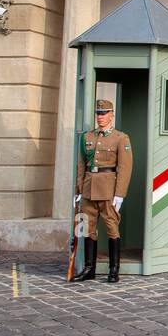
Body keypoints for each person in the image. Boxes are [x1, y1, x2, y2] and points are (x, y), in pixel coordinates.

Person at [73, 99, 132, 283]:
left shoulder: (120, 138)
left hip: (108, 190)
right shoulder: (87, 137)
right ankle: (89, 268)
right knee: (89, 229)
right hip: (90, 189)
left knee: (112, 228)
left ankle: (114, 269)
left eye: (104, 113)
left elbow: (125, 167)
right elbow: (82, 165)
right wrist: (79, 189)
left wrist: (119, 194)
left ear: (111, 115)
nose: (100, 117)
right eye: (98, 113)